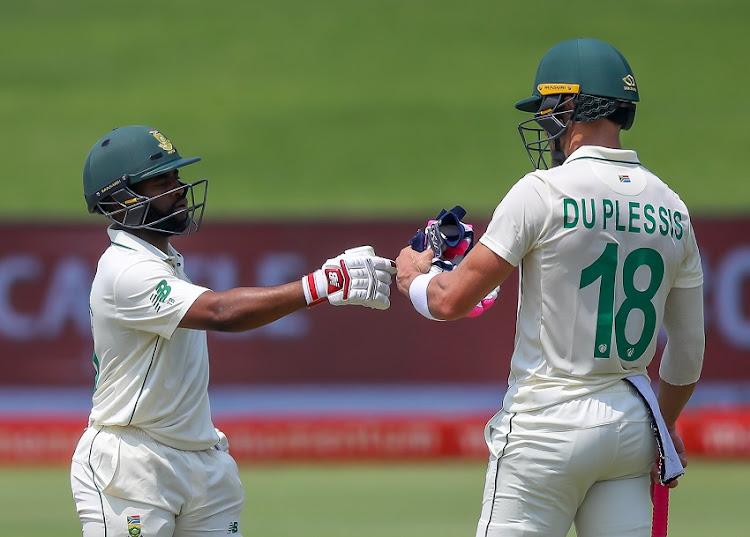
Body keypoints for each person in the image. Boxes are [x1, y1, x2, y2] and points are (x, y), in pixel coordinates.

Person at [395, 38, 705, 537]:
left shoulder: (542, 191)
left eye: (548, 110)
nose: (545, 124)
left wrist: (413, 277)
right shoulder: (673, 209)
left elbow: (451, 301)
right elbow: (687, 357)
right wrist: (662, 425)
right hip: (630, 429)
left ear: (570, 106)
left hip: (546, 427)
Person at [71, 125, 396, 537]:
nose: (180, 190)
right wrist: (324, 284)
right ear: (121, 199)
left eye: (176, 178)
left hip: (199, 458)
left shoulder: (161, 258)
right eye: (161, 182)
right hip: (131, 461)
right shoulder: (125, 270)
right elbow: (222, 313)